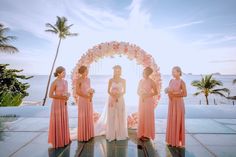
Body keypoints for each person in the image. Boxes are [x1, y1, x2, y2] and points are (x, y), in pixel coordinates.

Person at [48, 66, 71, 148]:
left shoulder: (66, 82)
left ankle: (64, 139)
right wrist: (61, 97)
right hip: (57, 105)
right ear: (58, 73)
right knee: (58, 121)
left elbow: (66, 93)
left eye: (65, 72)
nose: (65, 74)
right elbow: (50, 95)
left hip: (64, 104)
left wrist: (67, 96)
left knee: (63, 120)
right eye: (63, 73)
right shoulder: (54, 82)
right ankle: (57, 140)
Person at [166, 66, 187, 147]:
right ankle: (171, 140)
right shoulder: (171, 80)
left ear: (179, 72)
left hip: (178, 104)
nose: (173, 73)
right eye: (172, 72)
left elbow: (185, 94)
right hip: (171, 103)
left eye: (174, 72)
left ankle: (177, 141)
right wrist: (169, 94)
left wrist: (175, 94)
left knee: (178, 121)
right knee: (172, 121)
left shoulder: (182, 82)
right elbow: (169, 91)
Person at [106, 65, 128, 142]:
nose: (117, 72)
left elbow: (124, 91)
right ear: (114, 71)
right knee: (111, 116)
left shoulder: (123, 80)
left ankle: (120, 134)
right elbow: (108, 91)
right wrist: (113, 95)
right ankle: (111, 135)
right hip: (112, 99)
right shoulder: (110, 80)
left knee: (120, 115)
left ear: (120, 71)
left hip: (120, 99)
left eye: (118, 71)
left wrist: (119, 95)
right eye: (115, 71)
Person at [137, 67, 158, 141]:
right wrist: (141, 94)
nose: (143, 74)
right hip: (141, 101)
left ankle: (147, 135)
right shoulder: (140, 81)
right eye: (143, 72)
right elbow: (137, 91)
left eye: (145, 72)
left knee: (148, 117)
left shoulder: (152, 81)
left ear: (148, 73)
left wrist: (147, 95)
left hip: (148, 101)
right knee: (142, 116)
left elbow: (156, 92)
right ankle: (141, 133)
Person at [76, 65, 95, 142]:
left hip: (89, 100)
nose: (87, 72)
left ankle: (89, 134)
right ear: (82, 72)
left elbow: (89, 89)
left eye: (87, 71)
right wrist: (86, 96)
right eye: (86, 71)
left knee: (88, 115)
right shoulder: (79, 80)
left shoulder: (88, 79)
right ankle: (83, 135)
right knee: (83, 116)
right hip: (82, 100)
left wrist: (91, 95)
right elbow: (77, 92)